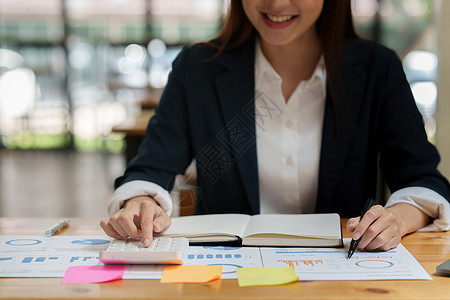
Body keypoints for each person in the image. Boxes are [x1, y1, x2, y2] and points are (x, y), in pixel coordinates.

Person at [100, 0, 450, 251]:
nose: (277, 2)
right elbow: (151, 167)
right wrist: (140, 202)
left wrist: (398, 219)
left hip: (342, 274)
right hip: (226, 274)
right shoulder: (198, 68)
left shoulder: (377, 69)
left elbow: (421, 178)